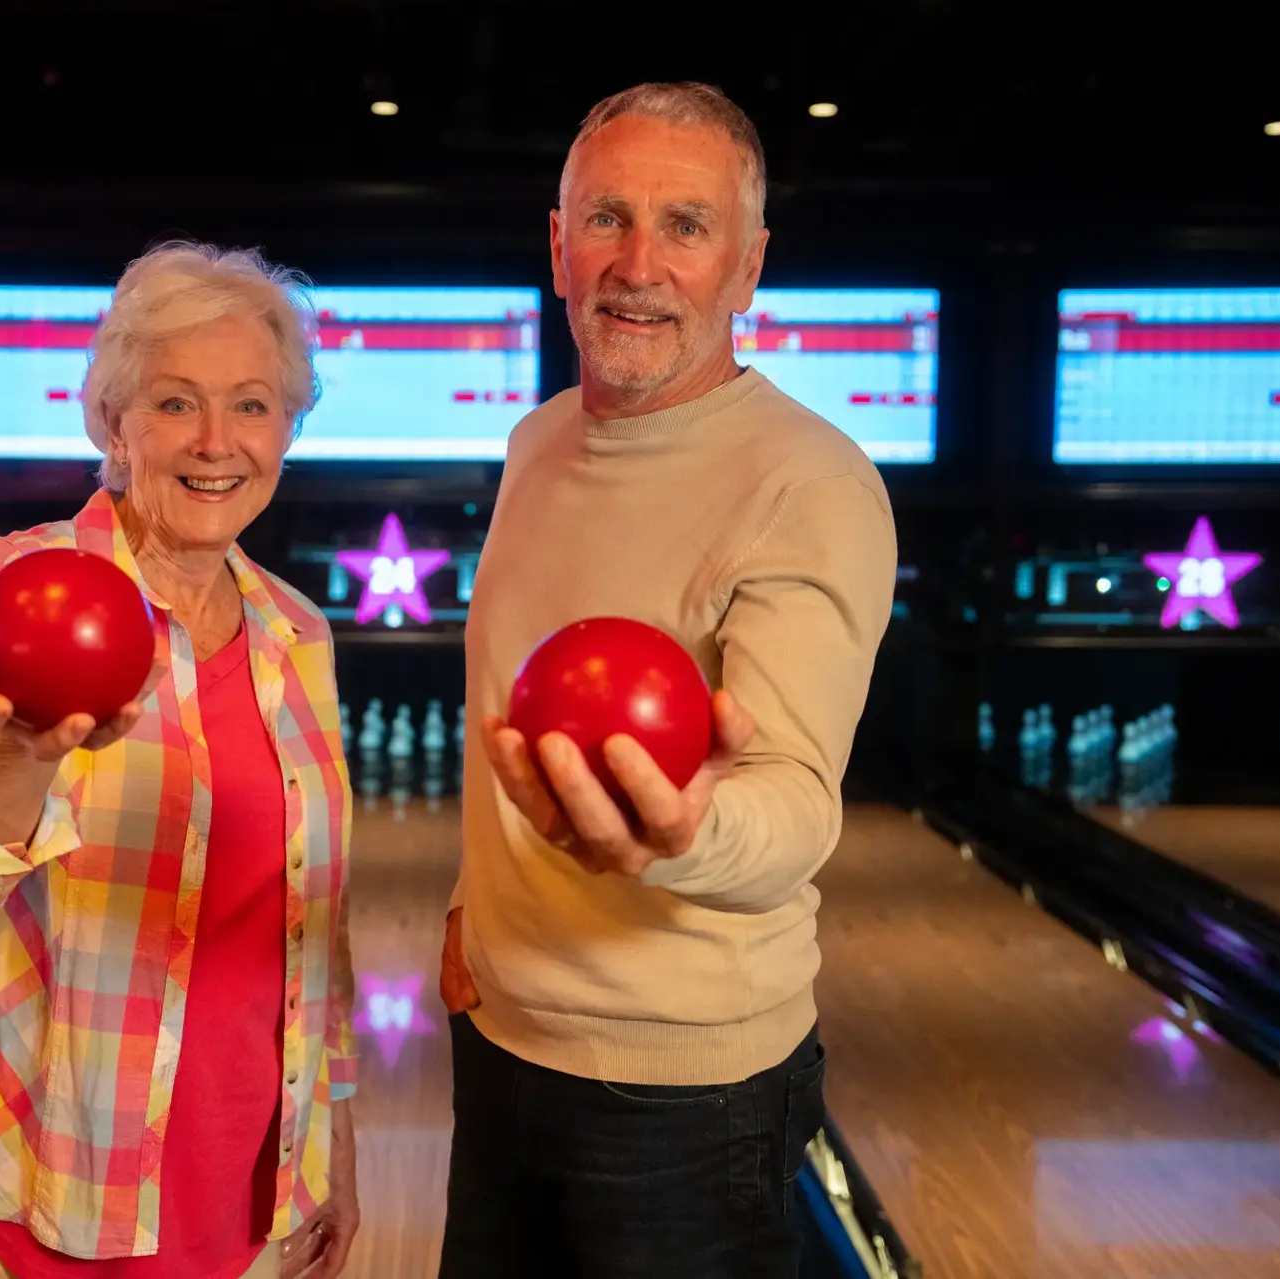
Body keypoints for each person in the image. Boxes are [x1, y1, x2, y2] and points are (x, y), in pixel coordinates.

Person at [439, 82, 898, 1277]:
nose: (638, 265)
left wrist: (680, 833)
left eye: (687, 228)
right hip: (499, 1038)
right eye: (606, 218)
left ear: (748, 267)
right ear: (556, 245)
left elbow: (796, 804)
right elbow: (509, 708)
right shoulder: (536, 440)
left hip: (687, 1093)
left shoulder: (813, 484)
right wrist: (465, 911)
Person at [0, 242, 360, 1279]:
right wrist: (23, 762)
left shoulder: (298, 632)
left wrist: (335, 1144)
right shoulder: (22, 582)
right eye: (175, 402)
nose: (216, 441)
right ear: (113, 420)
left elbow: (314, 932)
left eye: (252, 405)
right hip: (27, 1184)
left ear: (289, 427)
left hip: (243, 1195)